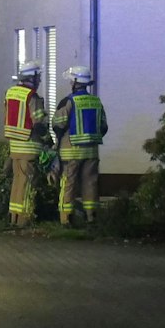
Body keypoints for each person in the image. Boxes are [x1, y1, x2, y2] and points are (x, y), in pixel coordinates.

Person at [54, 66, 108, 226]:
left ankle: (66, 218)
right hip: (91, 152)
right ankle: (91, 217)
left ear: (75, 82)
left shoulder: (68, 101)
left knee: (68, 184)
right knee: (90, 183)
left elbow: (58, 124)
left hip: (71, 153)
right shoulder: (96, 102)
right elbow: (103, 127)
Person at [2, 65, 48, 228]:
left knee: (17, 181)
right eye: (38, 77)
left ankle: (13, 216)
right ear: (32, 78)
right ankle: (24, 218)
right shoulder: (32, 96)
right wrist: (48, 140)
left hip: (14, 146)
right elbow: (39, 124)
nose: (39, 80)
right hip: (29, 146)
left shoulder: (10, 93)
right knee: (27, 183)